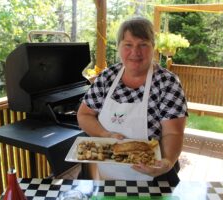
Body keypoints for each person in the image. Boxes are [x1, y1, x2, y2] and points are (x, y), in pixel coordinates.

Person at [77, 16, 188, 182]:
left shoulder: (167, 83)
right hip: (105, 174)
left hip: (153, 174)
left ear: (153, 47)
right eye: (128, 45)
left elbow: (173, 132)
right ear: (119, 47)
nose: (135, 52)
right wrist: (104, 134)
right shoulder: (107, 77)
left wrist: (167, 162)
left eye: (143, 44)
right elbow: (84, 115)